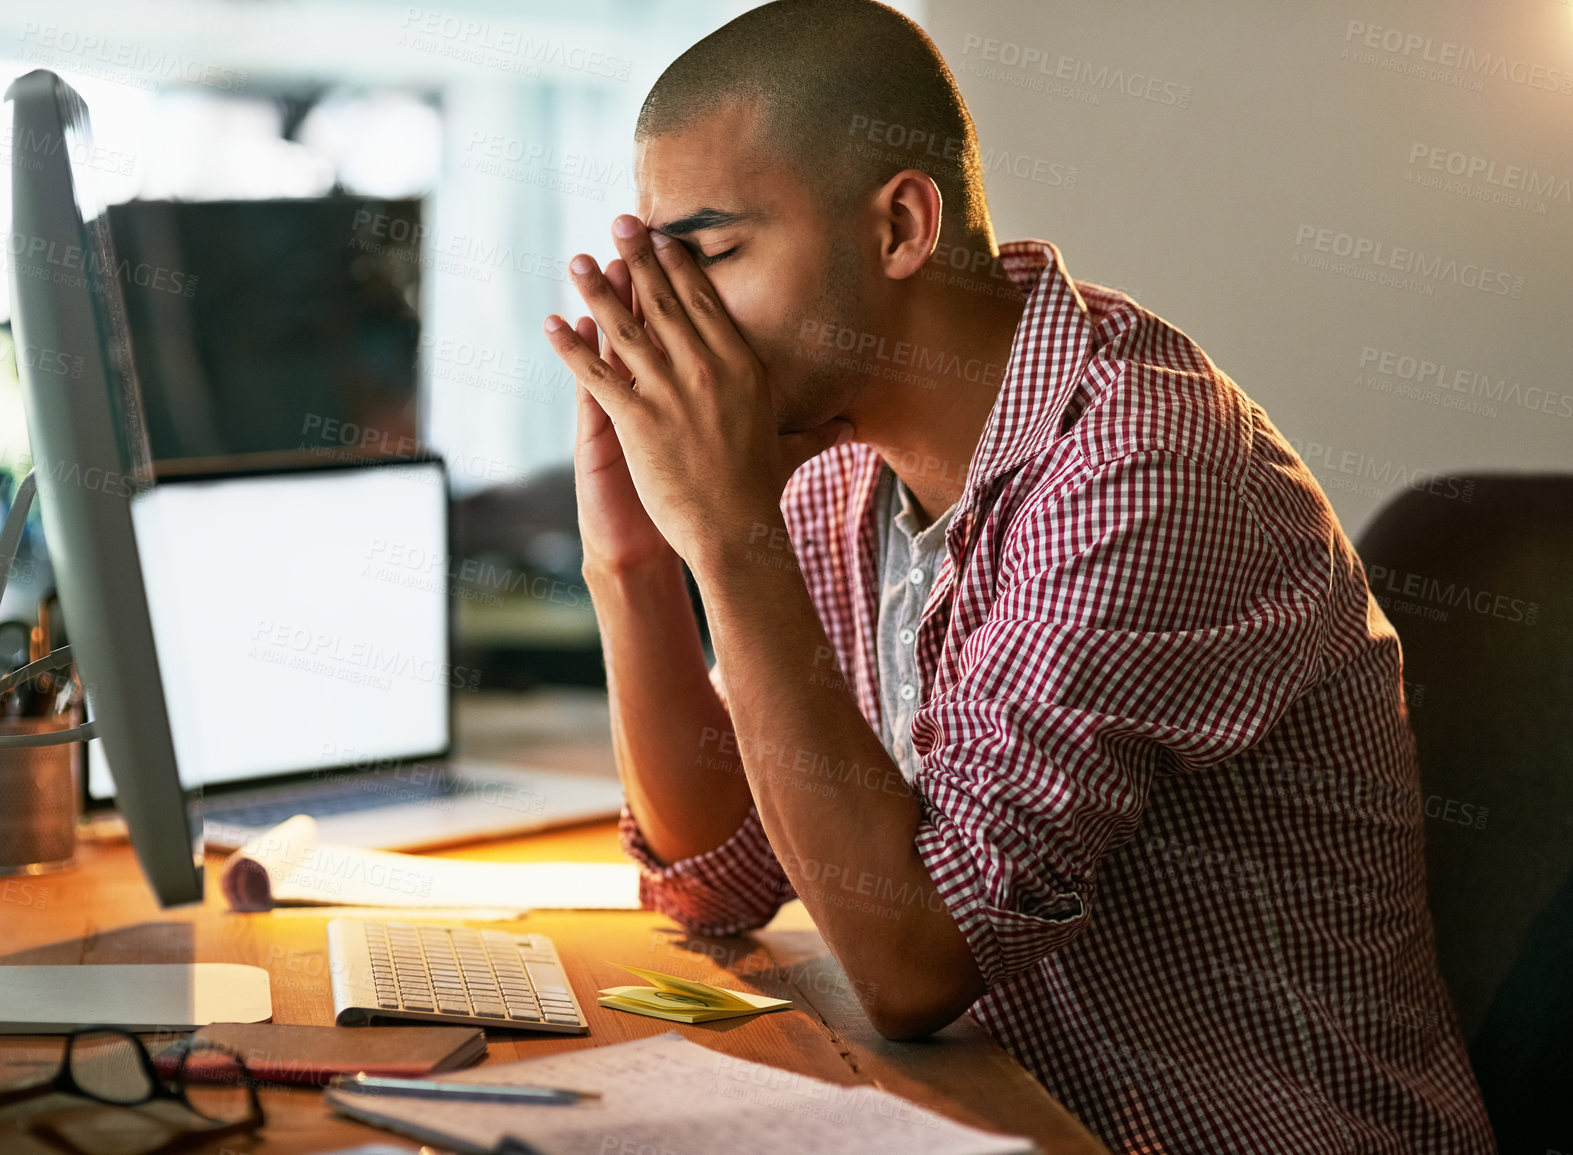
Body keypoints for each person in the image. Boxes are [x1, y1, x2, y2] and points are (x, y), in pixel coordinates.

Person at [540, 2, 1496, 1150]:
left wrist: (731, 535)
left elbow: (912, 963)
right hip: (992, 1111)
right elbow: (721, 881)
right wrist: (635, 557)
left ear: (898, 226)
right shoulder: (835, 467)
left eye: (714, 258)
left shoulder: (1138, 469)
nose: (670, 321)